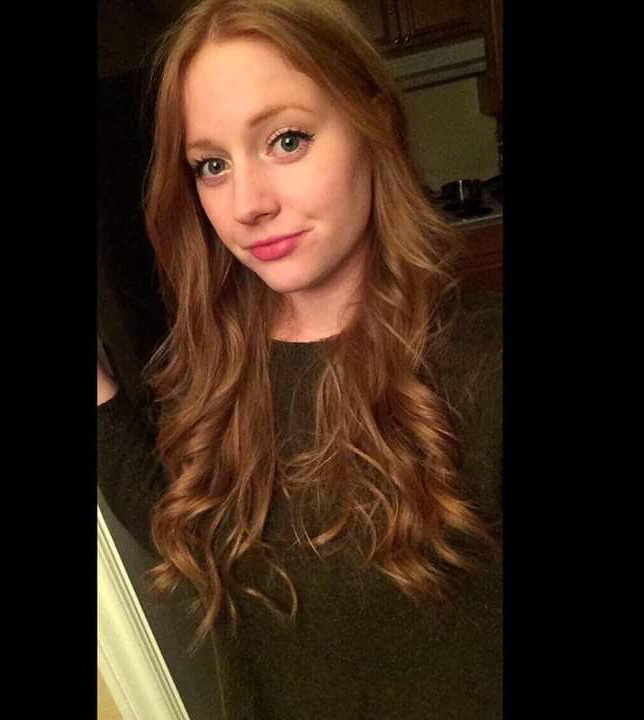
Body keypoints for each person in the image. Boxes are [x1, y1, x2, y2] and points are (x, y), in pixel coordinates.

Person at [97, 0, 502, 717]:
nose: (246, 204)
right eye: (212, 165)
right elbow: (191, 530)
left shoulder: (484, 363)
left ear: (373, 121)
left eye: (287, 140)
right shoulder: (214, 366)